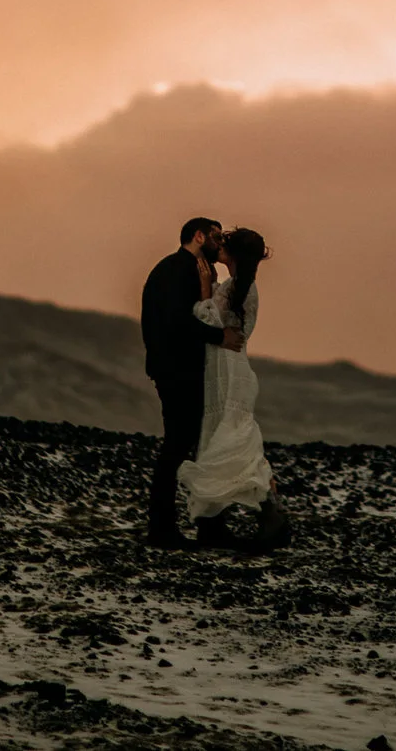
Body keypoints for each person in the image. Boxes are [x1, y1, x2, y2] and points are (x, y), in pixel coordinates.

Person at [178, 228, 291, 552]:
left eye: (225, 244)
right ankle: (215, 522)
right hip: (224, 369)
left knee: (231, 437)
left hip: (228, 370)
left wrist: (203, 290)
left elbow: (212, 321)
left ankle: (270, 516)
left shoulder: (243, 290)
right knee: (222, 436)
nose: (219, 247)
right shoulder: (234, 287)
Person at [140, 216, 237, 549]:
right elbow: (177, 321)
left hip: (178, 369)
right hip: (177, 371)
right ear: (198, 236)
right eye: (215, 236)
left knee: (193, 445)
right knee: (180, 446)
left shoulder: (181, 269)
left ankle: (197, 526)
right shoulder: (177, 270)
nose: (220, 242)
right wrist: (218, 336)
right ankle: (164, 528)